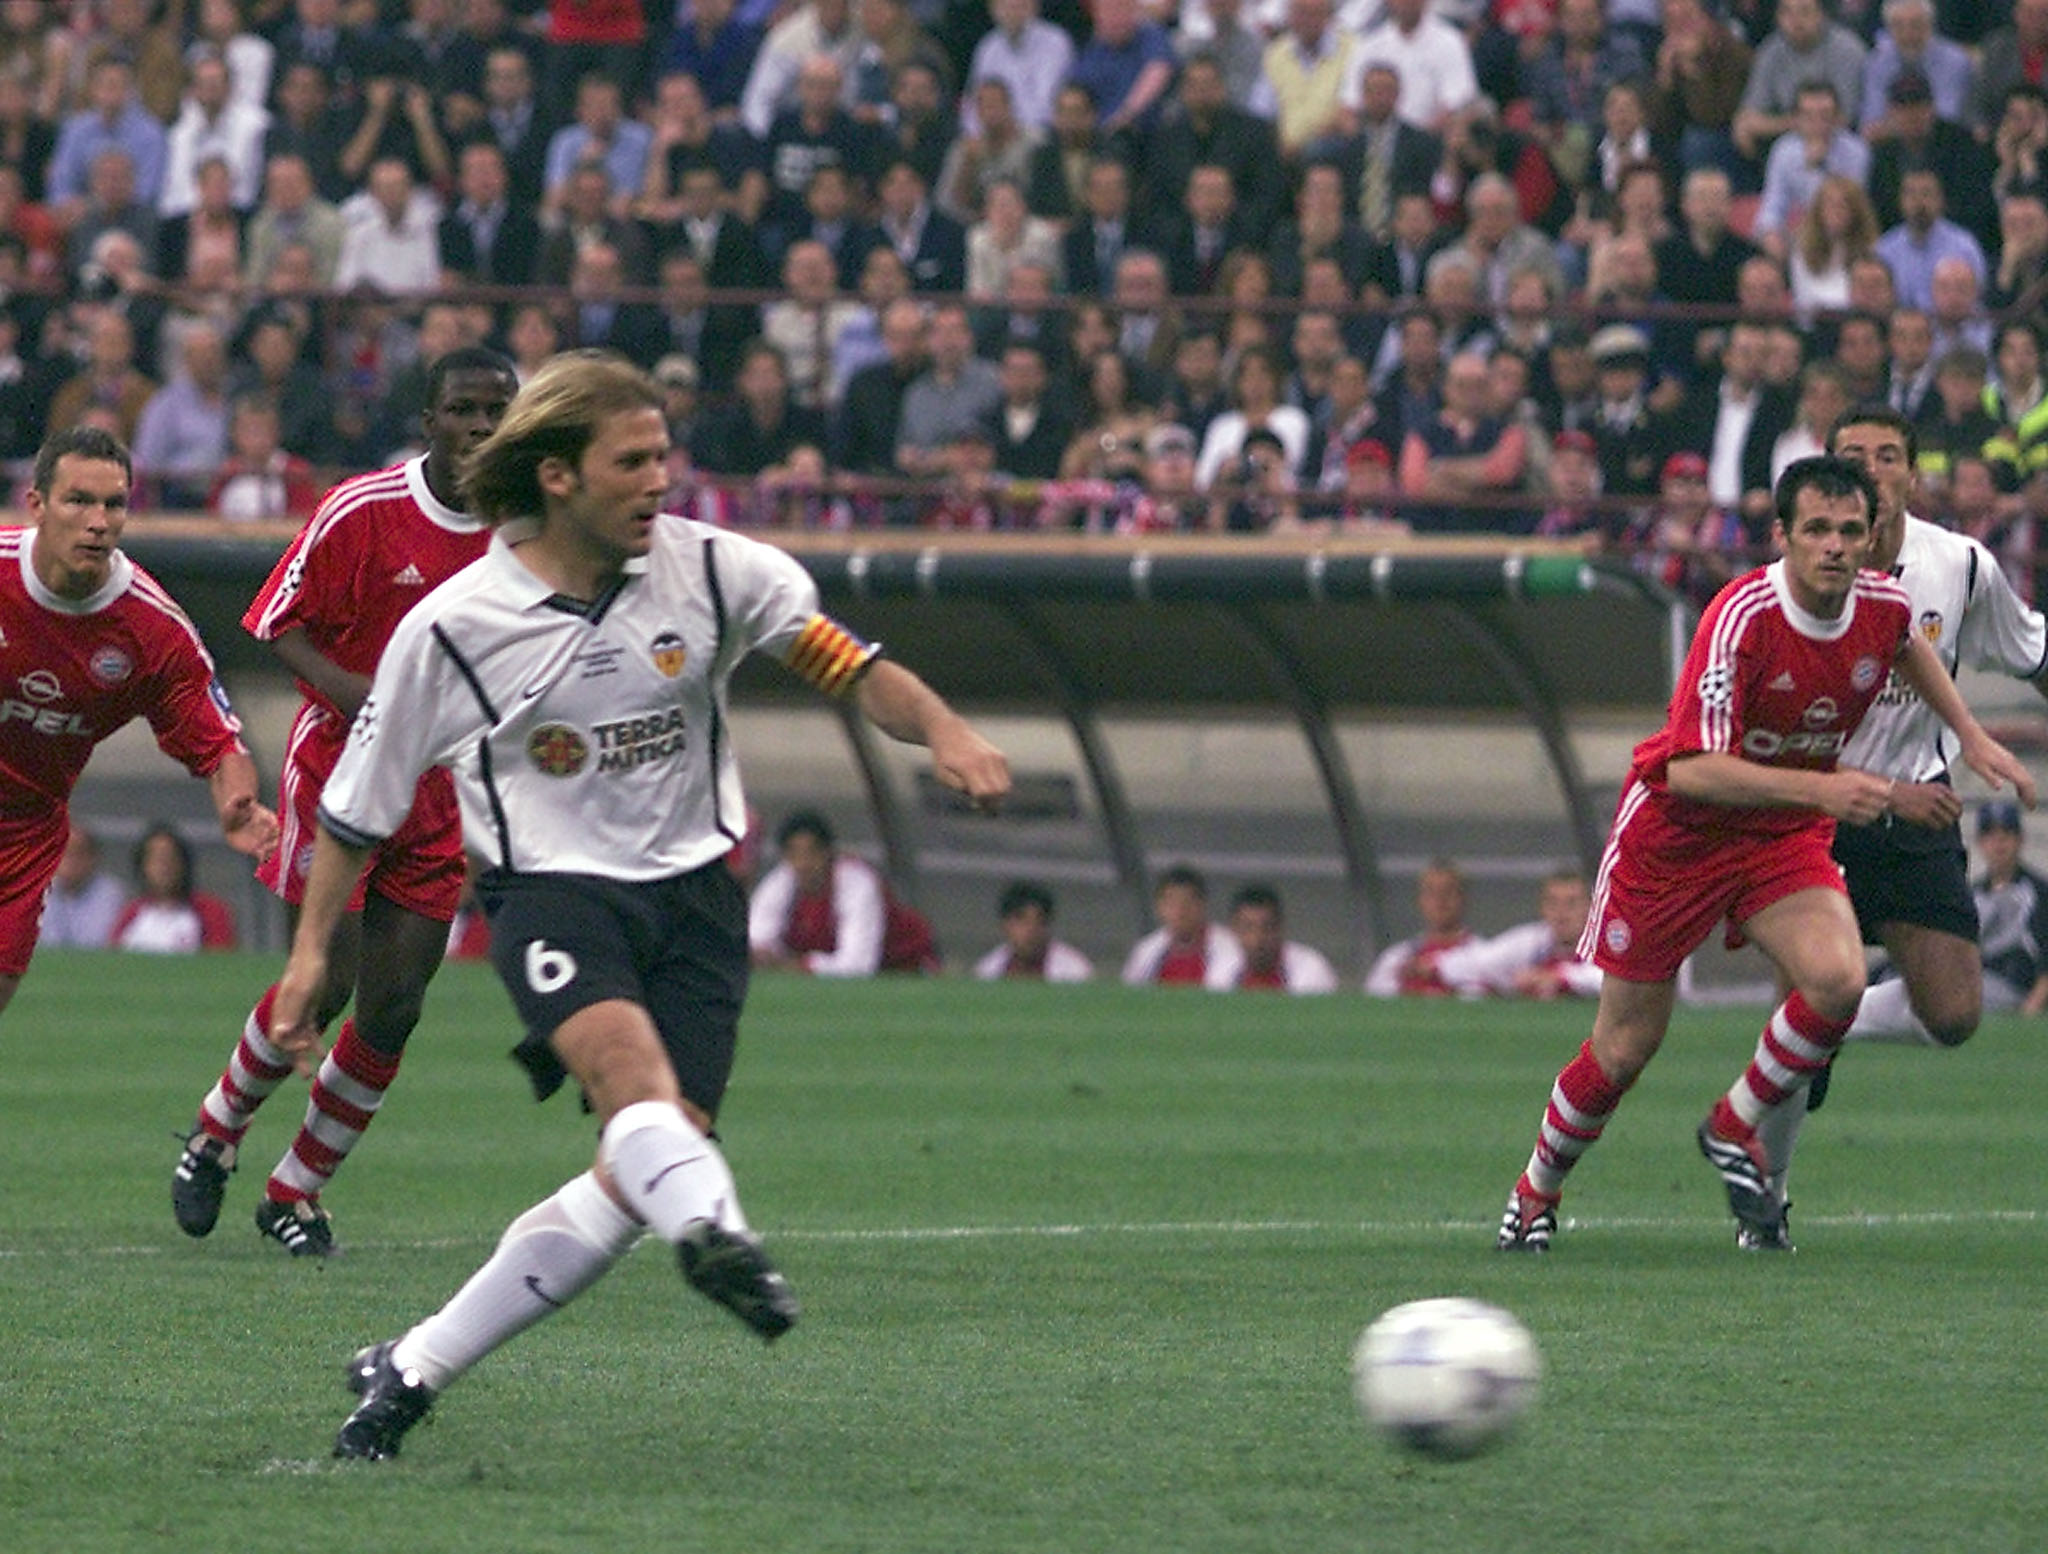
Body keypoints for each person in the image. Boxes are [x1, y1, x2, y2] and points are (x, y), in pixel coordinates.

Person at [265, 350, 1009, 1461]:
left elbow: (846, 665)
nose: (661, 478)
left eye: (664, 454)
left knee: (637, 1165)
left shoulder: (712, 571)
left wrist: (945, 730)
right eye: (634, 460)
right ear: (559, 476)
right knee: (632, 1090)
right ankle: (720, 1234)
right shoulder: (456, 628)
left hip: (697, 901)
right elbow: (354, 811)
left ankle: (412, 1367)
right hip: (552, 897)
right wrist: (309, 954)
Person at [1495, 456, 2035, 1256]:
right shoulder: (1741, 615)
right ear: (1781, 535)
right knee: (1626, 1046)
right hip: (1677, 837)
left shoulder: (1882, 603)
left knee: (1840, 980)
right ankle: (1535, 1192)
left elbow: (1906, 647)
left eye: (1851, 530)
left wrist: (1971, 732)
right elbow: (1690, 768)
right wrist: (1831, 790)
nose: (1836, 546)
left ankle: (1732, 1124)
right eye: (1817, 529)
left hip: (1777, 834)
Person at [171, 348, 520, 1259]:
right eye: (464, 410)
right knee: (321, 984)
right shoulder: (365, 510)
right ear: (430, 418)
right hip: (340, 774)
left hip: (438, 790)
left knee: (396, 1006)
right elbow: (274, 621)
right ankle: (214, 1134)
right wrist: (364, 696)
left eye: (497, 411)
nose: (482, 427)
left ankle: (297, 1189)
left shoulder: (527, 526)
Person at [1753, 406, 2048, 1205]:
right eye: (1856, 455)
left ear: (1913, 476)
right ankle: (1767, 1197)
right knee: (1798, 1047)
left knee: (1954, 1012)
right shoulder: (1788, 577)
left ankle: (1826, 1019)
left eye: (1890, 456)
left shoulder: (1959, 565)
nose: (1875, 468)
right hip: (1813, 816)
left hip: (1917, 810)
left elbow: (2036, 652)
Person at [0, 427, 276, 1021]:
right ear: (37, 504)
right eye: (79, 500)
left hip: (21, 839)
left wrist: (238, 803)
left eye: (114, 504)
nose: (98, 520)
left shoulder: (152, 631)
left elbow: (218, 740)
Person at [747, 810, 941, 976]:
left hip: (906, 965)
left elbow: (858, 964)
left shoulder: (857, 883)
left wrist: (800, 965)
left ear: (828, 853)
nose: (803, 864)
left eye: (812, 853)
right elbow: (757, 942)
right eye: (794, 854)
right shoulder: (780, 882)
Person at [1436, 869, 1600, 999]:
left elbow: (1607, 979)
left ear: (1590, 908)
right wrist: (1437, 965)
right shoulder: (1532, 940)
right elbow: (1481, 961)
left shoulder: (1603, 942)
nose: (1561, 912)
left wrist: (1560, 978)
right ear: (1541, 907)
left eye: (1571, 903)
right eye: (1552, 902)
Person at [1971, 800, 2048, 1015]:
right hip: (1979, 980)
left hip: (2015, 986)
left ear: (2020, 840)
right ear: (1980, 842)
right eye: (1990, 835)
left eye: (2007, 833)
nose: (1999, 842)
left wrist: (2032, 1006)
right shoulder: (1973, 894)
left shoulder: (2038, 892)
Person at [110, 822, 238, 952]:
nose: (164, 867)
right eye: (156, 860)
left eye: (170, 858)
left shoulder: (210, 912)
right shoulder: (132, 914)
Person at [1364, 859, 1477, 996]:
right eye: (1431, 892)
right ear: (1420, 900)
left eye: (1448, 891)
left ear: (1463, 898)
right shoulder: (1396, 958)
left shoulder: (1483, 957)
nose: (1440, 900)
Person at [1122, 865, 1245, 987]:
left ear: (1202, 905)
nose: (1180, 912)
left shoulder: (1228, 946)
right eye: (1171, 903)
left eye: (1187, 902)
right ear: (1159, 908)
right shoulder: (1146, 950)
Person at [1210, 884, 1339, 994]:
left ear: (1280, 928)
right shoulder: (1220, 970)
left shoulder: (1312, 969)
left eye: (1266, 928)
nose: (1257, 939)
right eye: (1248, 928)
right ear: (1234, 929)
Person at [974, 880, 1093, 982]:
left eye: (1039, 921)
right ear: (1005, 925)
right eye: (1021, 920)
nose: (1031, 930)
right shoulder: (987, 971)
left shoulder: (1075, 972)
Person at [38, 822, 128, 949]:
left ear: (93, 858)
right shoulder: (38, 892)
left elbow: (105, 943)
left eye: (77, 853)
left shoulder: (111, 896)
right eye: (64, 852)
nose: (70, 861)